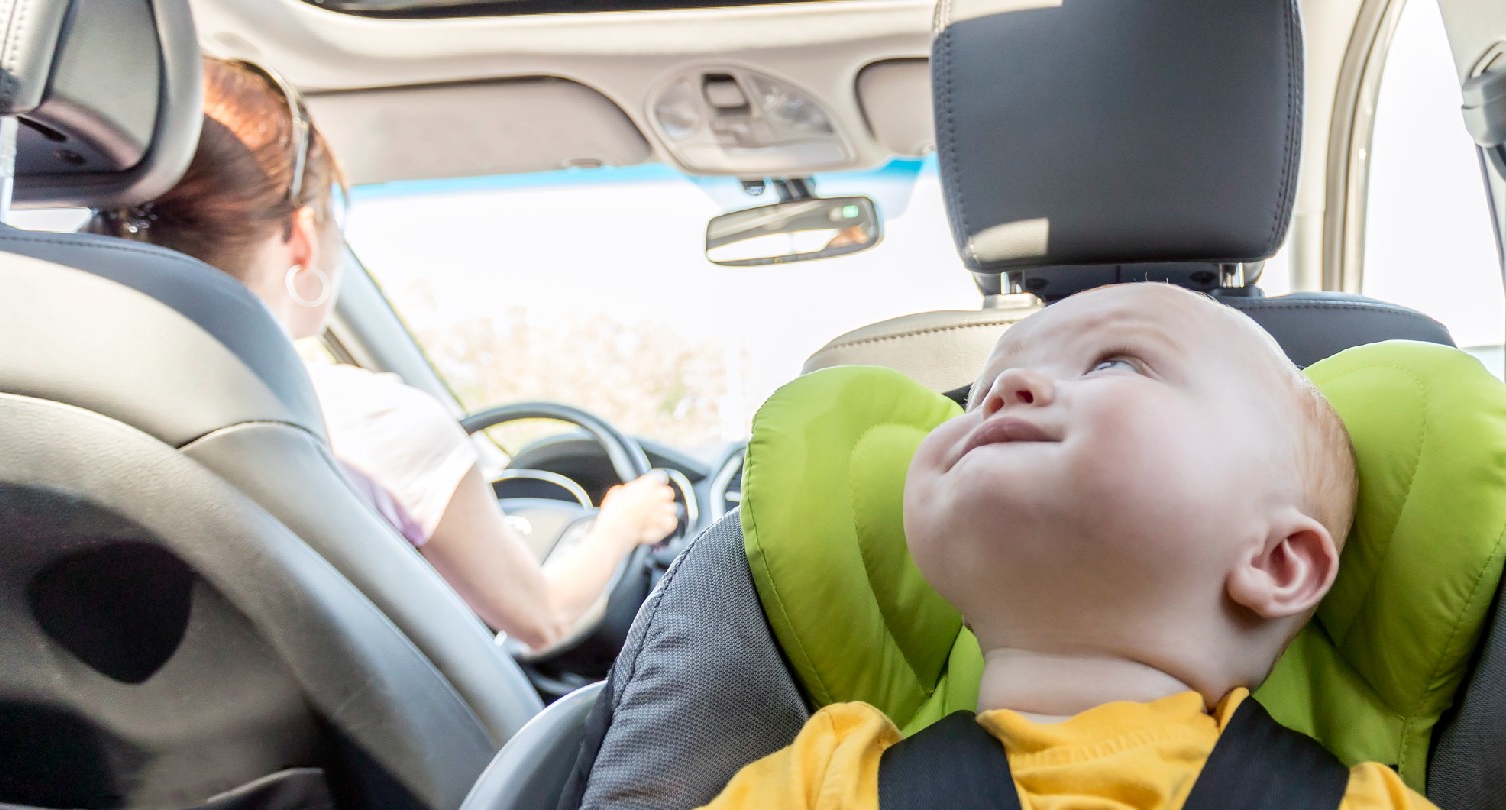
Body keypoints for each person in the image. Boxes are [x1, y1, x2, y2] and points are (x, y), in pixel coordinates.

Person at [700, 283, 1432, 809]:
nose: (1005, 386)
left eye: (1114, 363)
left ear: (1276, 561)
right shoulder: (822, 777)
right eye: (979, 389)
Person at [91, 57, 678, 652]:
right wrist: (621, 526)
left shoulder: (65, 403)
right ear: (301, 237)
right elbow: (542, 618)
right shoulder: (376, 427)